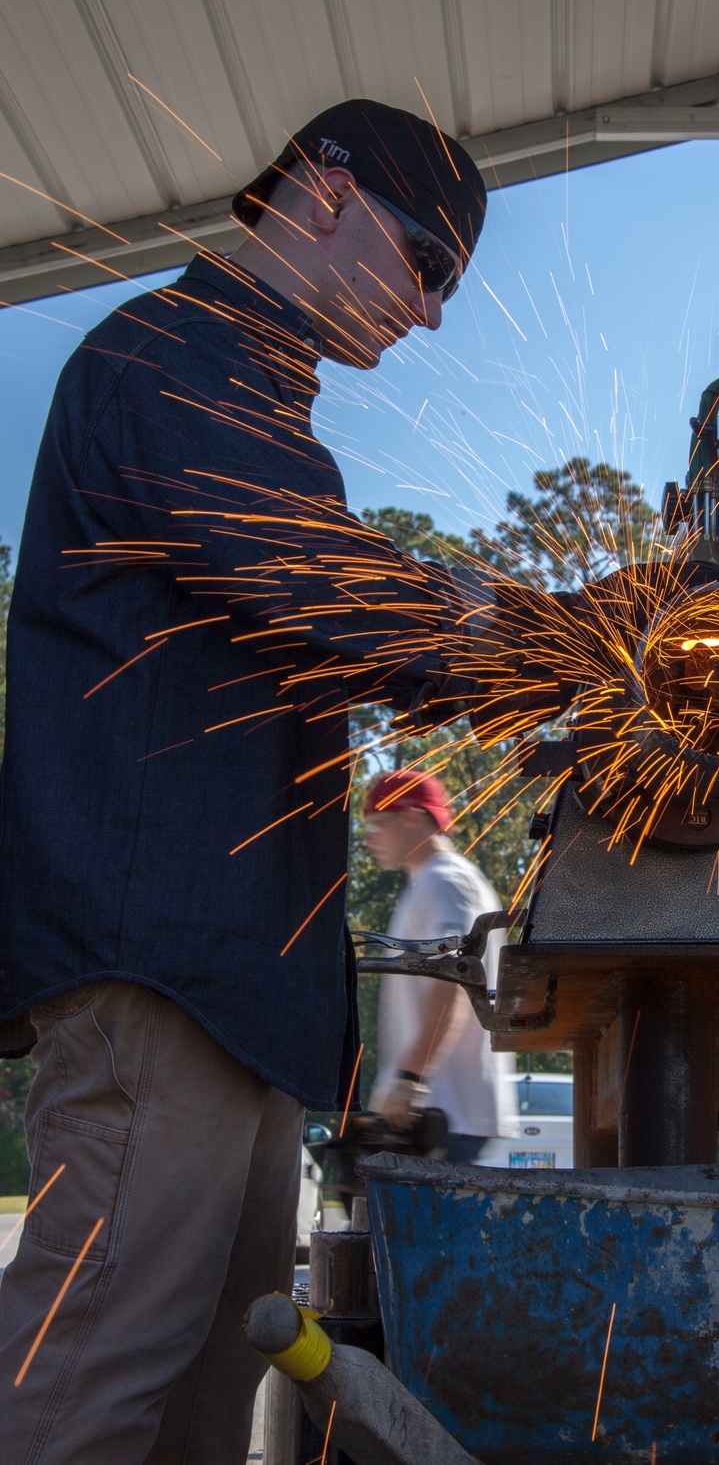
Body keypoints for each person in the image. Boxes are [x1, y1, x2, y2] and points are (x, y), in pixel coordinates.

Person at [0, 99, 572, 1465]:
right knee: (93, 1376)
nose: (430, 314)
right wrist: (541, 637)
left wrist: (507, 640)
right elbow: (328, 589)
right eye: (427, 262)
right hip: (162, 969)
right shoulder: (174, 359)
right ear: (325, 191)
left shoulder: (254, 398)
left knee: (206, 1392)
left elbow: (326, 603)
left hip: (236, 986)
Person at [362, 770, 517, 1162]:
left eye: (378, 824)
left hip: (444, 1113)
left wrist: (412, 1079)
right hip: (437, 1107)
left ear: (412, 816)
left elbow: (453, 979)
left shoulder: (446, 881)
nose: (368, 839)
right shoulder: (429, 882)